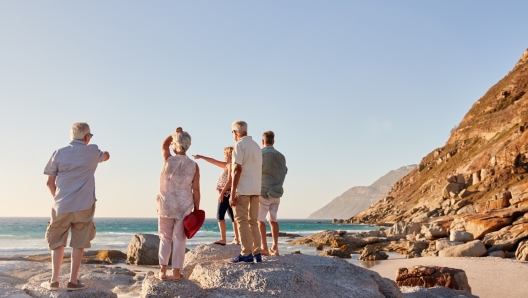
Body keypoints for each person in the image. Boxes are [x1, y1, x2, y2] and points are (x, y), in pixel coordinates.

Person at [41, 122, 110, 291]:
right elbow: (106, 156)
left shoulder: (59, 153)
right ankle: (73, 281)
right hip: (84, 206)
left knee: (57, 242)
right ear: (87, 137)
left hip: (61, 205)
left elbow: (49, 182)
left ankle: (54, 281)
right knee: (79, 243)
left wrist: (58, 198)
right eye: (90, 136)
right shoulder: (93, 151)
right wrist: (105, 154)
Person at [157, 127, 200, 281]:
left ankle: (162, 271)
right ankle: (176, 273)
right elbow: (196, 189)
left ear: (175, 145)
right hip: (184, 206)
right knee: (180, 239)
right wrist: (197, 208)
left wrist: (174, 134)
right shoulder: (194, 165)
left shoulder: (169, 159)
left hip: (166, 205)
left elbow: (164, 145)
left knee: (165, 238)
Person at [228, 120, 263, 263]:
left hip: (243, 189)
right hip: (256, 188)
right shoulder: (256, 146)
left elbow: (237, 169)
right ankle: (257, 252)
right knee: (253, 221)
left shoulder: (239, 145)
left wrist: (232, 192)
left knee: (241, 220)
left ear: (235, 133)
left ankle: (246, 253)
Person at [193, 147, 240, 245]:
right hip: (228, 194)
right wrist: (201, 157)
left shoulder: (230, 165)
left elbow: (230, 180)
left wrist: (222, 193)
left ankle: (223, 239)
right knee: (233, 217)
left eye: (224, 153)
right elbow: (213, 161)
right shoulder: (227, 165)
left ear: (228, 154)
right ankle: (237, 239)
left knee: (220, 216)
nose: (223, 154)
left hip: (226, 194)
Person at [258, 131, 287, 256]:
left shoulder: (260, 154)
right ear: (273, 141)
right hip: (277, 191)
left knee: (260, 220)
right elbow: (285, 171)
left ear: (263, 141)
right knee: (273, 220)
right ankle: (275, 247)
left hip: (263, 191)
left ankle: (264, 247)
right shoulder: (281, 156)